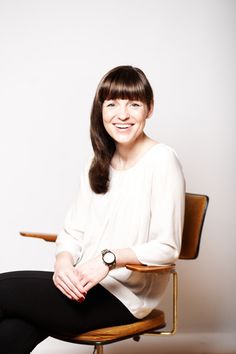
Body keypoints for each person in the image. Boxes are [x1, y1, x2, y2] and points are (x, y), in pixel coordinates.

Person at [0, 65, 185, 353]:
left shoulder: (162, 160)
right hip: (83, 285)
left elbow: (167, 247)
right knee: (12, 332)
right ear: (101, 110)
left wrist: (108, 259)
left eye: (133, 104)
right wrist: (63, 263)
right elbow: (73, 231)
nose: (122, 115)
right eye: (112, 104)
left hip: (124, 297)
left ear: (149, 109)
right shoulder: (97, 163)